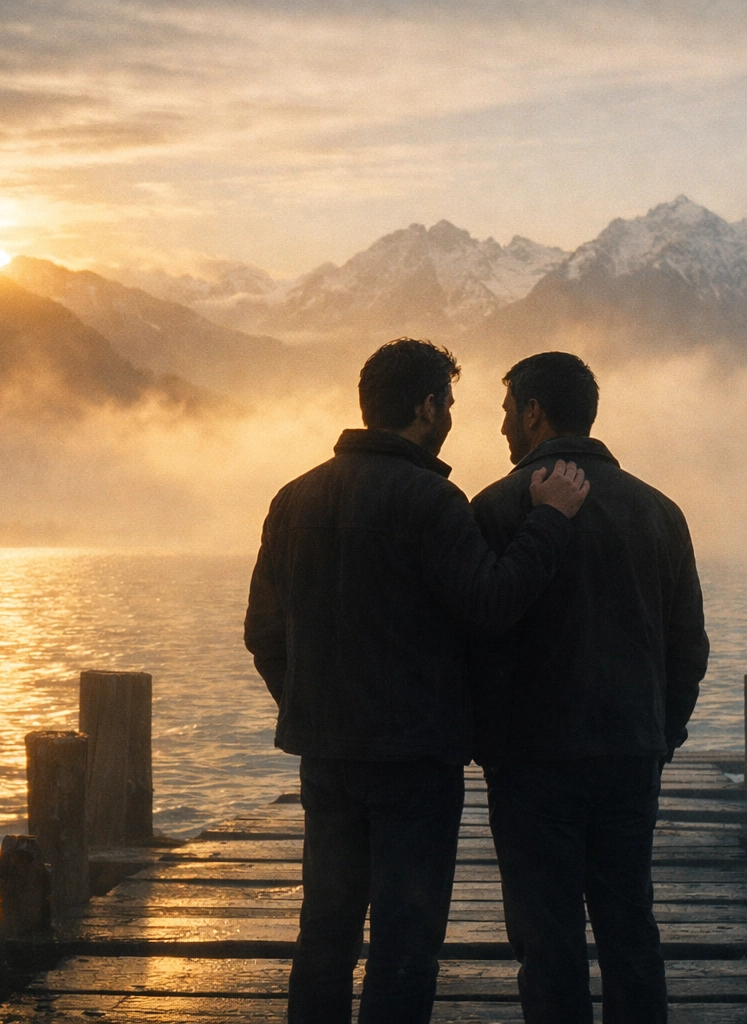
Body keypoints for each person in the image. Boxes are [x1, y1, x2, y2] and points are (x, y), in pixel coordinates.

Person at [244, 338, 591, 1024]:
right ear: (428, 406)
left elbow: (263, 631)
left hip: (328, 753)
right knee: (405, 939)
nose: (457, 416)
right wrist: (549, 521)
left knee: (325, 931)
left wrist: (308, 703)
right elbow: (492, 606)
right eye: (453, 403)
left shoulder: (294, 499)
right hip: (416, 761)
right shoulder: (433, 501)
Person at [469, 351, 709, 1024]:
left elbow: (476, 641)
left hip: (531, 759)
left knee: (545, 937)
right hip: (630, 750)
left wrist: (491, 741)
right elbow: (688, 644)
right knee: (629, 924)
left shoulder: (496, 507)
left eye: (506, 411)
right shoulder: (659, 511)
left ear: (534, 412)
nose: (502, 428)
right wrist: (661, 734)